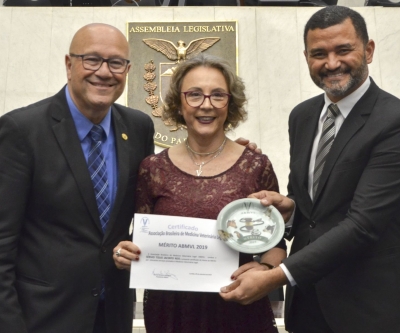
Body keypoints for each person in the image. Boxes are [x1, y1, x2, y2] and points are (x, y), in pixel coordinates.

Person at [220, 6, 400, 333]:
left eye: (343, 50)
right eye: (319, 54)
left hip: (366, 309)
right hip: (307, 307)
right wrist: (288, 209)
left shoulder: (393, 121)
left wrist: (277, 276)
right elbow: (313, 207)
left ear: (369, 50)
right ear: (306, 58)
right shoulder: (302, 116)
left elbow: (363, 225)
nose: (331, 63)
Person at [113, 53, 286, 333]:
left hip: (238, 309)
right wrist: (125, 253)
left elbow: (276, 242)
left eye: (218, 95)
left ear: (230, 104)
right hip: (170, 313)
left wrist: (266, 270)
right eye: (194, 94)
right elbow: (138, 240)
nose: (206, 105)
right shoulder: (152, 168)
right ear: (179, 104)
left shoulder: (256, 165)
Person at [0, 23, 155, 333]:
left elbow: (151, 205)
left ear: (127, 69)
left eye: (115, 62)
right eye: (92, 59)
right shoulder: (21, 130)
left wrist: (223, 153)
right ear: (69, 65)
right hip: (41, 317)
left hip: (113, 315)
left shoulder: (138, 128)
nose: (104, 72)